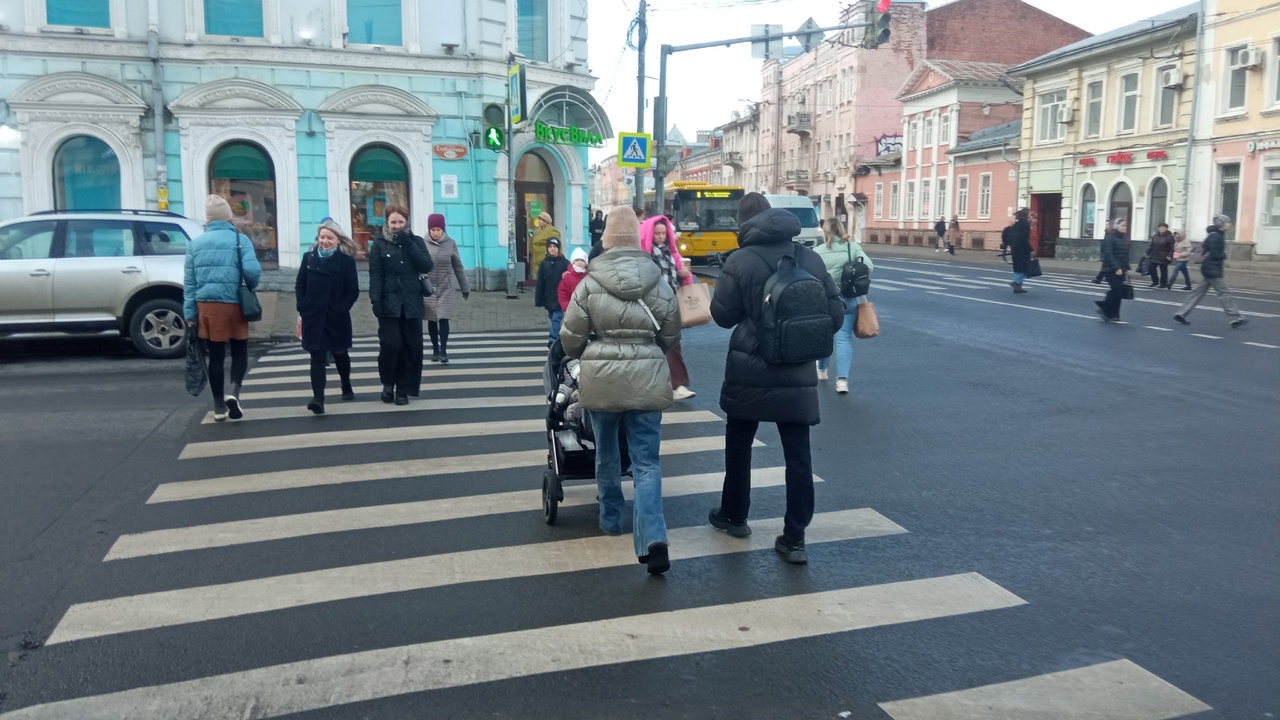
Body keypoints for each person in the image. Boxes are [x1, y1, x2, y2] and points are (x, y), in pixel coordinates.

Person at [707, 193, 843, 564]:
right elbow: (836, 316)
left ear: (743, 224)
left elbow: (721, 315)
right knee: (798, 455)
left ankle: (734, 516)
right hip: (796, 369)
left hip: (749, 367)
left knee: (738, 446)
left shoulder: (740, 260)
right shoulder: (809, 258)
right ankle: (794, 537)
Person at [561, 206, 682, 575]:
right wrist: (647, 353)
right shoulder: (658, 281)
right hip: (646, 379)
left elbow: (570, 338)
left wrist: (592, 356)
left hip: (601, 379)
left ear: (605, 241)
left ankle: (612, 520)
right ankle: (653, 539)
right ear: (637, 240)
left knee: (607, 454)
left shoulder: (589, 283)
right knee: (647, 462)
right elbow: (671, 334)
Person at [184, 195, 262, 422]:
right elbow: (253, 272)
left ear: (208, 219)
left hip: (207, 307)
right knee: (240, 351)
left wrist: (190, 313)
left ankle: (218, 406)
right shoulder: (240, 240)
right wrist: (250, 286)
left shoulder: (195, 244)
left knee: (215, 356)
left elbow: (190, 283)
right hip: (235, 304)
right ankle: (234, 392)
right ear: (228, 217)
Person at [369, 205, 433, 405]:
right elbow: (376, 275)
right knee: (391, 345)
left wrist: (409, 244)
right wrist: (375, 300)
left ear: (407, 222)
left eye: (400, 222)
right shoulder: (379, 245)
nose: (397, 226)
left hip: (412, 302)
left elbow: (426, 265)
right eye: (393, 222)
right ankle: (388, 384)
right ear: (387, 223)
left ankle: (403, 390)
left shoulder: (416, 241)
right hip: (388, 302)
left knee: (410, 347)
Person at [296, 219, 360, 414]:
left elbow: (353, 290)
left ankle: (346, 384)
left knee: (340, 352)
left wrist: (342, 308)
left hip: (336, 316)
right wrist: (303, 307)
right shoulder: (309, 258)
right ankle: (318, 399)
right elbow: (300, 285)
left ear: (337, 240)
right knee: (317, 356)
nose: (324, 241)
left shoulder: (346, 261)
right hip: (314, 316)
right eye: (322, 237)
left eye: (329, 238)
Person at [640, 215, 696, 401]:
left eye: (664, 233)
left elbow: (683, 281)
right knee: (651, 347)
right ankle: (652, 385)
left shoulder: (673, 255)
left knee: (673, 345)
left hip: (671, 305)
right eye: (657, 233)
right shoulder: (644, 256)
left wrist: (685, 274)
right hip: (651, 307)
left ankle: (677, 385)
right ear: (650, 234)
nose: (661, 236)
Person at [815, 224, 874, 394]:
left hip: (825, 299)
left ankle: (823, 370)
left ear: (826, 232)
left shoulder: (818, 251)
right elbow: (869, 266)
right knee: (843, 339)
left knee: (824, 336)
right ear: (842, 230)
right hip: (848, 298)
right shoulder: (852, 248)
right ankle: (842, 381)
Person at [1174, 214, 1247, 329]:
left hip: (1209, 268)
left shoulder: (1215, 235)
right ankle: (1236, 317)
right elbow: (1215, 254)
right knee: (1224, 293)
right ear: (1221, 224)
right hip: (1213, 269)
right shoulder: (1216, 236)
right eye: (1227, 222)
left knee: (1198, 292)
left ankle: (1181, 313)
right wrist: (1224, 254)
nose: (1230, 224)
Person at [421, 214, 469, 364]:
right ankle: (435, 349)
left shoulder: (451, 243)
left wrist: (464, 287)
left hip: (445, 286)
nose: (435, 232)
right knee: (431, 320)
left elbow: (458, 266)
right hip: (428, 287)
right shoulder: (422, 244)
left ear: (443, 229)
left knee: (443, 318)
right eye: (433, 229)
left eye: (438, 229)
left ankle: (443, 351)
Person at [534, 237, 571, 343]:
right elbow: (540, 283)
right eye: (550, 247)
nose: (552, 249)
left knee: (556, 318)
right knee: (552, 317)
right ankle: (559, 339)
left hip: (560, 298)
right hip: (549, 297)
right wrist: (539, 299)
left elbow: (571, 279)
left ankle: (553, 340)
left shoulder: (564, 263)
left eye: (555, 247)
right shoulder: (544, 263)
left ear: (559, 248)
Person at [1095, 218, 1130, 323]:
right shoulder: (1110, 238)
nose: (1125, 227)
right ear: (1116, 226)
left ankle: (1114, 314)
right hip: (1111, 269)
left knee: (1118, 292)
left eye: (1125, 225)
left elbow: (1124, 256)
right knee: (1116, 290)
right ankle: (1106, 309)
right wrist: (1117, 267)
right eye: (1122, 225)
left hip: (1121, 269)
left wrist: (1126, 268)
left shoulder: (1122, 238)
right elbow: (1108, 254)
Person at [1009, 208, 1034, 294]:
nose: (1032, 216)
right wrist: (1031, 249)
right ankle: (1016, 282)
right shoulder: (1025, 224)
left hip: (1015, 248)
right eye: (1031, 214)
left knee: (1018, 266)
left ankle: (1017, 287)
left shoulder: (1017, 224)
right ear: (1027, 215)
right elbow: (1024, 239)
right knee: (1023, 267)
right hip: (1022, 249)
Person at [1147, 222, 1175, 289]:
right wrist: (1147, 252)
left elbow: (1172, 248)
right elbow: (1152, 245)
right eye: (1160, 227)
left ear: (1166, 228)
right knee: (1151, 267)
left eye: (1163, 227)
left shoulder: (1169, 236)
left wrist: (1169, 255)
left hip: (1164, 256)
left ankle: (1163, 283)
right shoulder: (1156, 236)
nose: (1161, 229)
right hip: (1154, 255)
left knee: (1163, 270)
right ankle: (1155, 281)